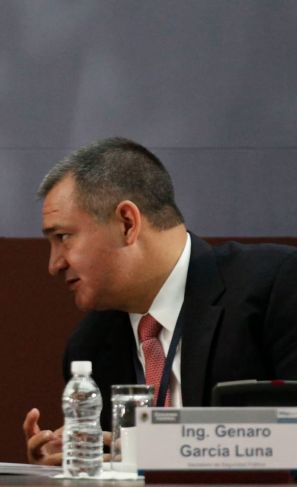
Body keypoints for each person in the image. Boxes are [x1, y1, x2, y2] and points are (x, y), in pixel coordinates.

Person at [23, 137, 297, 465]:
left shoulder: (276, 286)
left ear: (127, 223)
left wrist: (158, 450)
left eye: (63, 237)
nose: (54, 264)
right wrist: (69, 464)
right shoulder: (90, 346)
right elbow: (115, 465)